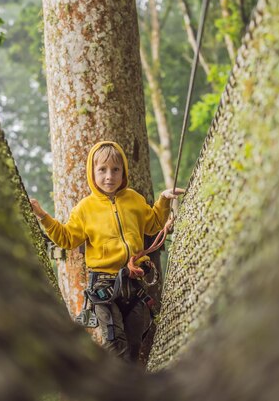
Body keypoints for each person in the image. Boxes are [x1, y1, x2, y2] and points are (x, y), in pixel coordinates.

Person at [30, 140, 184, 362]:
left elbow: (153, 224)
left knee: (133, 344)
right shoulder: (85, 208)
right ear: (92, 173)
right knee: (114, 344)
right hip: (103, 286)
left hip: (133, 283)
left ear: (124, 172)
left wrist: (163, 200)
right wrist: (43, 217)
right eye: (102, 170)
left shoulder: (134, 199)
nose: (109, 176)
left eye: (115, 170)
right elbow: (66, 238)